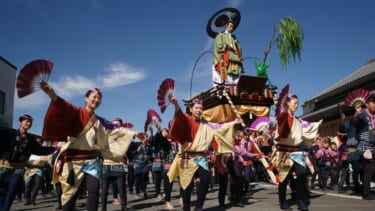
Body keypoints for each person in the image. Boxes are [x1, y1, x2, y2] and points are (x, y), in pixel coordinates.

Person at [39, 81, 146, 211]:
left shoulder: (100, 121)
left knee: (94, 189)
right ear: (86, 98)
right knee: (70, 195)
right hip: (73, 160)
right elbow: (63, 106)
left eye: (99, 98)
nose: (96, 100)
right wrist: (51, 93)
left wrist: (134, 133)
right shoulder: (76, 112)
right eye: (94, 97)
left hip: (91, 160)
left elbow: (115, 129)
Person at [167, 96, 243, 211]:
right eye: (196, 108)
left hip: (200, 158)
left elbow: (219, 128)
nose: (198, 110)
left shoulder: (207, 124)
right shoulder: (187, 120)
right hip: (186, 159)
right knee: (186, 188)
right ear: (191, 109)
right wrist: (176, 105)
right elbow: (180, 116)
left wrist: (233, 122)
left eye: (201, 108)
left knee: (206, 179)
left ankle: (198, 207)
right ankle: (186, 209)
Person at [272, 94, 322, 211]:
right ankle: (283, 201)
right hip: (284, 151)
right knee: (284, 178)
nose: (297, 105)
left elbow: (307, 128)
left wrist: (316, 125)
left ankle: (300, 199)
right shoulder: (283, 117)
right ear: (288, 104)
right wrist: (279, 106)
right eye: (295, 103)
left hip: (297, 151)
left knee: (302, 173)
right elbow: (281, 130)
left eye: (297, 103)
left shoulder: (298, 121)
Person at [0, 114, 56, 211]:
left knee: (12, 192)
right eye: (26, 121)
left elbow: (39, 150)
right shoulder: (9, 133)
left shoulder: (30, 139)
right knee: (2, 192)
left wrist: (55, 148)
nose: (29, 123)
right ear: (20, 122)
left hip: (18, 169)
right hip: (4, 167)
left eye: (30, 122)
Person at [101, 118, 129, 211]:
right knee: (104, 190)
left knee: (122, 188)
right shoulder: (105, 136)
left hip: (119, 166)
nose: (114, 126)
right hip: (107, 165)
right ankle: (103, 208)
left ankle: (124, 207)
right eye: (113, 124)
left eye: (117, 125)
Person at [353, 93, 375, 200]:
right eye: (373, 102)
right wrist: (357, 115)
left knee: (370, 168)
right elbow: (355, 123)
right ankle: (365, 193)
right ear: (367, 104)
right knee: (369, 168)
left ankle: (366, 189)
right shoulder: (362, 114)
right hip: (365, 145)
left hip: (373, 144)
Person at [212, 12, 243, 86]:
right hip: (226, 59)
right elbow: (219, 46)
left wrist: (236, 44)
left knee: (235, 79)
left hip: (234, 60)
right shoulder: (220, 35)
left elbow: (239, 49)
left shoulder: (234, 38)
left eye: (232, 27)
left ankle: (234, 90)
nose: (231, 28)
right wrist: (227, 46)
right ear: (226, 25)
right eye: (230, 26)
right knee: (227, 79)